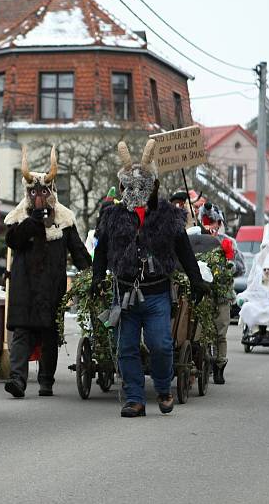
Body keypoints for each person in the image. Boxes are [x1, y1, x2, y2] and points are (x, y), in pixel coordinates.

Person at [92, 140, 205, 418]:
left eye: (142, 186)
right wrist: (96, 277)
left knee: (161, 344)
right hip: (125, 292)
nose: (135, 192)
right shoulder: (113, 216)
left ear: (153, 186)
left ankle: (164, 389)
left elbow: (184, 250)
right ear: (122, 188)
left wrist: (196, 278)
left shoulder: (168, 216)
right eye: (129, 186)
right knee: (126, 347)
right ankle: (134, 399)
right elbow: (101, 249)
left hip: (156, 294)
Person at [4, 147, 91, 399]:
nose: (38, 196)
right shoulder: (19, 216)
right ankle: (18, 380)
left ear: (51, 192)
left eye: (43, 191)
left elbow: (79, 252)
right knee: (21, 333)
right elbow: (13, 242)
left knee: (49, 334)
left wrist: (93, 274)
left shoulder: (64, 219)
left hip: (51, 289)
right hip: (24, 288)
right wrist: (33, 221)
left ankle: (45, 381)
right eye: (33, 192)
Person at [194, 202, 244, 384]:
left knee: (220, 332)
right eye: (207, 222)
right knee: (200, 331)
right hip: (203, 294)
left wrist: (228, 268)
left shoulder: (228, 242)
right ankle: (202, 363)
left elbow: (240, 267)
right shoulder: (196, 240)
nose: (211, 226)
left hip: (222, 295)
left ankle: (219, 367)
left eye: (214, 222)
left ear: (219, 223)